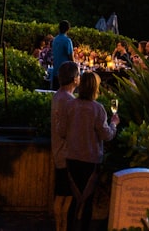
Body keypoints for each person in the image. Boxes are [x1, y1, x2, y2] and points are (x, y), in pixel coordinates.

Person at [57, 71, 118, 231]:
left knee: (74, 199)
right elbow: (107, 135)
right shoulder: (98, 109)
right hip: (91, 160)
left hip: (72, 158)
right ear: (95, 88)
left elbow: (61, 132)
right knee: (88, 201)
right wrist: (114, 124)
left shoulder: (69, 106)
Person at [50, 61, 80, 231]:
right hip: (66, 154)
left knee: (61, 195)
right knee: (65, 197)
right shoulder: (69, 100)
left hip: (58, 151)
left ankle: (59, 226)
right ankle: (61, 227)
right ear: (74, 79)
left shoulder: (58, 96)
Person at [51, 20, 74, 90]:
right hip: (65, 72)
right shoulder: (67, 41)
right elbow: (71, 57)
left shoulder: (55, 40)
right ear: (68, 29)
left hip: (55, 71)